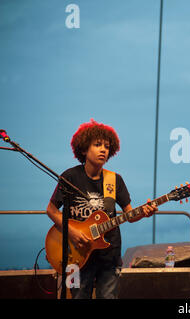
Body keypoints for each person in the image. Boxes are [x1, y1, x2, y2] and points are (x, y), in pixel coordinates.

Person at [46, 119, 157, 299]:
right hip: (76, 254)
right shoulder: (70, 177)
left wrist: (144, 213)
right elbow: (51, 210)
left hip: (109, 255)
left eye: (106, 146)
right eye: (97, 145)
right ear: (83, 149)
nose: (103, 149)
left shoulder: (115, 180)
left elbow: (129, 214)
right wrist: (72, 232)